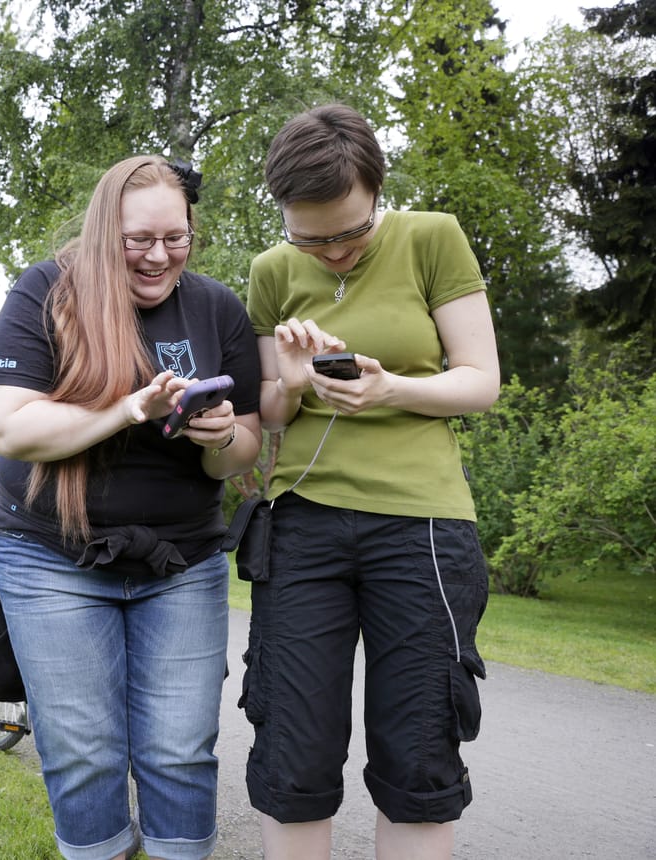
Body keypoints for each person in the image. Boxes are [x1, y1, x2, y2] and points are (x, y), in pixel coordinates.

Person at [0, 155, 262, 860]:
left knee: (180, 752)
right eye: (139, 239)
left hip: (183, 561)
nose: (158, 256)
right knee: (83, 755)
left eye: (176, 238)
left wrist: (222, 435)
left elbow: (247, 448)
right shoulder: (45, 292)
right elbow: (10, 427)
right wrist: (127, 407)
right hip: (52, 556)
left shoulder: (216, 307)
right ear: (106, 230)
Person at [242, 104, 500, 859]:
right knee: (292, 745)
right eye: (310, 237)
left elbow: (481, 381)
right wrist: (289, 385)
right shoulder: (270, 272)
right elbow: (268, 407)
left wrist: (394, 390)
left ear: (376, 192)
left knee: (419, 746)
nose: (333, 253)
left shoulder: (432, 238)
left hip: (421, 527)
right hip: (302, 526)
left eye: (350, 233)